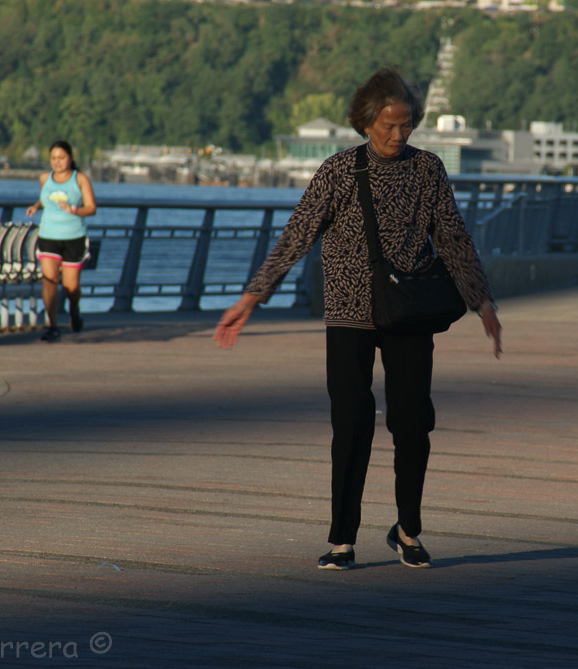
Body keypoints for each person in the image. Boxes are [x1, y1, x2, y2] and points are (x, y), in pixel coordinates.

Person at [214, 67, 502, 570]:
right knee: (350, 424)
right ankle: (342, 539)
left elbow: (453, 236)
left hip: (409, 311)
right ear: (366, 121)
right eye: (389, 125)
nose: (398, 134)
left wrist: (483, 303)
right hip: (348, 314)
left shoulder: (427, 170)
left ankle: (408, 529)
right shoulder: (339, 171)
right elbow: (297, 235)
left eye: (407, 124)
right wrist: (251, 297)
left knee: (412, 423)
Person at [25, 140, 97, 342]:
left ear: (70, 159)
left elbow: (91, 207)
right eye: (53, 158)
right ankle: (53, 326)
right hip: (48, 236)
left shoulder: (80, 179)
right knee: (49, 281)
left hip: (73, 237)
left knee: (71, 288)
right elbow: (45, 197)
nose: (57, 162)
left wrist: (73, 209)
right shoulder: (44, 178)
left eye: (62, 158)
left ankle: (74, 309)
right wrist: (36, 206)